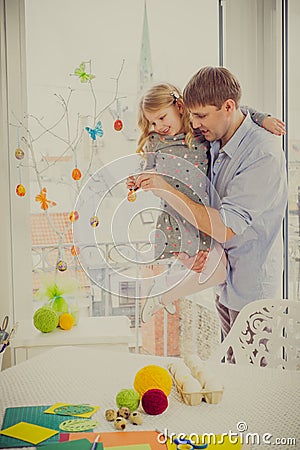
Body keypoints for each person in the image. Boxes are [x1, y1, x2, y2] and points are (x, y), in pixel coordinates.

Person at [131, 79, 286, 326]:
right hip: (225, 287)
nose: (194, 123)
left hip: (250, 289)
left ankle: (164, 294)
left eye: (201, 115)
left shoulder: (261, 152)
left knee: (253, 364)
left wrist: (263, 118)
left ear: (227, 107)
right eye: (193, 115)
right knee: (229, 361)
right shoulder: (210, 137)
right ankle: (166, 291)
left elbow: (224, 228)